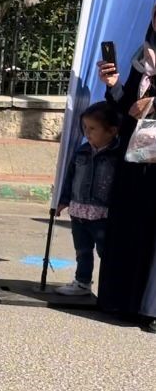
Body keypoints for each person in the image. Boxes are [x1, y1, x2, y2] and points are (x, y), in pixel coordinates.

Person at [95, 2, 156, 330]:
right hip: (137, 158)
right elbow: (125, 107)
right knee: (133, 224)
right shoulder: (142, 56)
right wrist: (114, 84)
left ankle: (152, 309)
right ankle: (123, 301)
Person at [55, 102, 121, 296]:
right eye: (85, 128)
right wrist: (63, 200)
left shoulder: (117, 155)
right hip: (79, 212)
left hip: (103, 215)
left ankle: (111, 287)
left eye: (93, 129)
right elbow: (70, 176)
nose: (87, 133)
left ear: (112, 131)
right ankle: (82, 282)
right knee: (82, 250)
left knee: (106, 252)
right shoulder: (82, 151)